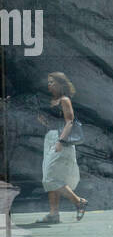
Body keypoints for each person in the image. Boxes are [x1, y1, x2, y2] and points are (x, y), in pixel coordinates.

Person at [34, 72, 87, 225]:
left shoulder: (64, 100)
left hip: (60, 140)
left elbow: (69, 122)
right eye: (48, 82)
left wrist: (60, 141)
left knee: (50, 177)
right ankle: (53, 214)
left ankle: (79, 202)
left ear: (60, 84)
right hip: (50, 139)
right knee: (51, 176)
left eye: (52, 82)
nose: (49, 85)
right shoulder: (53, 101)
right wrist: (45, 122)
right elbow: (55, 124)